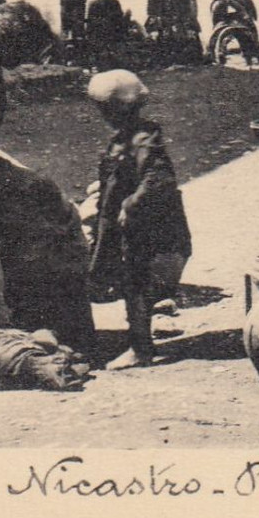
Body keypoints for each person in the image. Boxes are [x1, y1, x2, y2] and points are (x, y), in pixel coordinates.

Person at [0, 3, 95, 352]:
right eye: (25, 49)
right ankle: (53, 325)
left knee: (45, 195)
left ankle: (56, 322)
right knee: (45, 220)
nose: (28, 57)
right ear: (9, 44)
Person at [86, 70, 192, 369]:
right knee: (133, 284)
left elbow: (158, 180)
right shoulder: (127, 137)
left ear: (117, 108)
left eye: (104, 109)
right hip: (131, 228)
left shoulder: (143, 139)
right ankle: (142, 339)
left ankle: (141, 350)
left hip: (146, 229)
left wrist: (129, 206)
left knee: (136, 285)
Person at [86, 0, 132, 67]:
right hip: (109, 37)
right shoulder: (112, 1)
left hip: (95, 36)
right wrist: (127, 16)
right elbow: (118, 23)